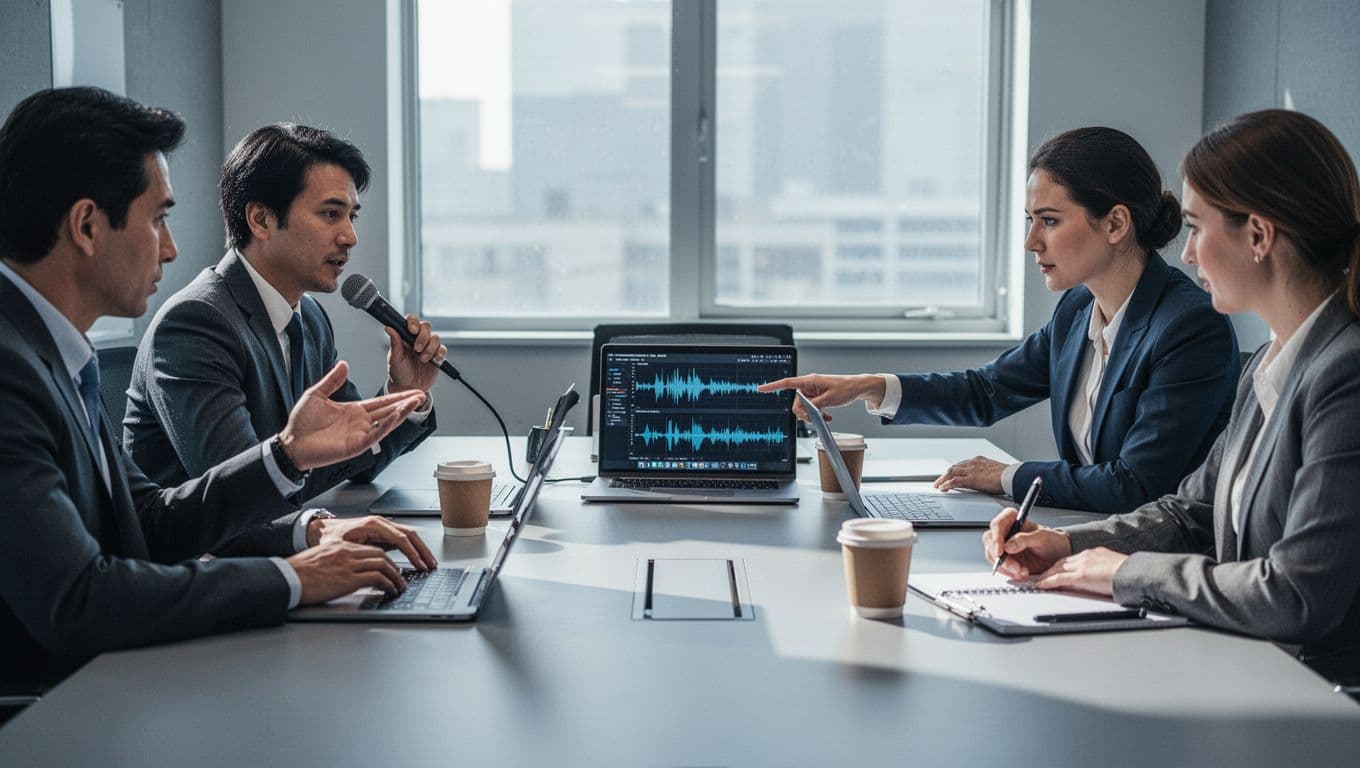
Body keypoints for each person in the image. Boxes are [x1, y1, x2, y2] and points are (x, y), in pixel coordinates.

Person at [0, 87, 438, 689]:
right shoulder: (12, 370)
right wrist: (296, 577)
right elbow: (78, 599)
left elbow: (148, 519)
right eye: (158, 219)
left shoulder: (53, 353)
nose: (173, 247)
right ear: (86, 225)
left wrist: (288, 458)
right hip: (58, 706)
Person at [983, 110, 1360, 677]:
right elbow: (1193, 512)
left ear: (1258, 235)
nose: (1185, 254)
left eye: (1197, 228)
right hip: (1251, 664)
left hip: (1314, 693)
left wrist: (1122, 574)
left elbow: (1295, 594)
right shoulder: (1271, 362)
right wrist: (1067, 544)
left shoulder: (1344, 375)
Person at [761, 128, 1238, 515]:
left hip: (1154, 561)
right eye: (1030, 220)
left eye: (1049, 221)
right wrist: (866, 386)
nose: (1031, 242)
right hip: (1087, 539)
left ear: (1115, 224)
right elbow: (986, 391)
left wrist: (1008, 475)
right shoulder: (1076, 310)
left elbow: (1137, 485)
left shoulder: (1188, 328)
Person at [123, 123, 445, 504]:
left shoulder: (308, 318)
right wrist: (317, 531)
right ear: (260, 219)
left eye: (351, 217)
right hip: (208, 558)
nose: (349, 237)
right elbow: (241, 497)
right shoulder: (196, 323)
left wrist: (404, 395)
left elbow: (355, 457)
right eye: (330, 214)